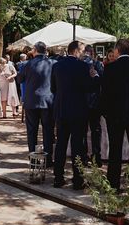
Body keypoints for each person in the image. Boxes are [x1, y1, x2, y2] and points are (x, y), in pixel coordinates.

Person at [100, 39, 129, 189]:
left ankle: (113, 183)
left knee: (115, 149)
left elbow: (105, 93)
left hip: (115, 115)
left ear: (117, 51)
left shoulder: (110, 68)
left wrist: (105, 112)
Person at [51, 41, 95, 190]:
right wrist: (94, 77)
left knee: (61, 145)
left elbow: (53, 88)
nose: (83, 53)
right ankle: (77, 180)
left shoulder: (57, 66)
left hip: (62, 109)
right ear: (75, 51)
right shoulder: (83, 66)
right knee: (77, 146)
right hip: (78, 110)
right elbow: (89, 88)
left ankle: (58, 178)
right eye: (82, 50)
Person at [18, 41, 55, 166]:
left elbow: (19, 79)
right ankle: (48, 160)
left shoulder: (27, 64)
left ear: (35, 50)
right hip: (48, 101)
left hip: (31, 101)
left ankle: (33, 159)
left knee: (32, 131)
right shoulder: (52, 63)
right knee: (48, 131)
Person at [82, 44, 104, 166]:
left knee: (83, 131)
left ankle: (84, 157)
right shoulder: (98, 64)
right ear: (93, 53)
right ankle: (96, 157)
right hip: (95, 102)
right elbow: (102, 82)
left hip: (84, 102)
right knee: (95, 130)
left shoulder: (79, 64)